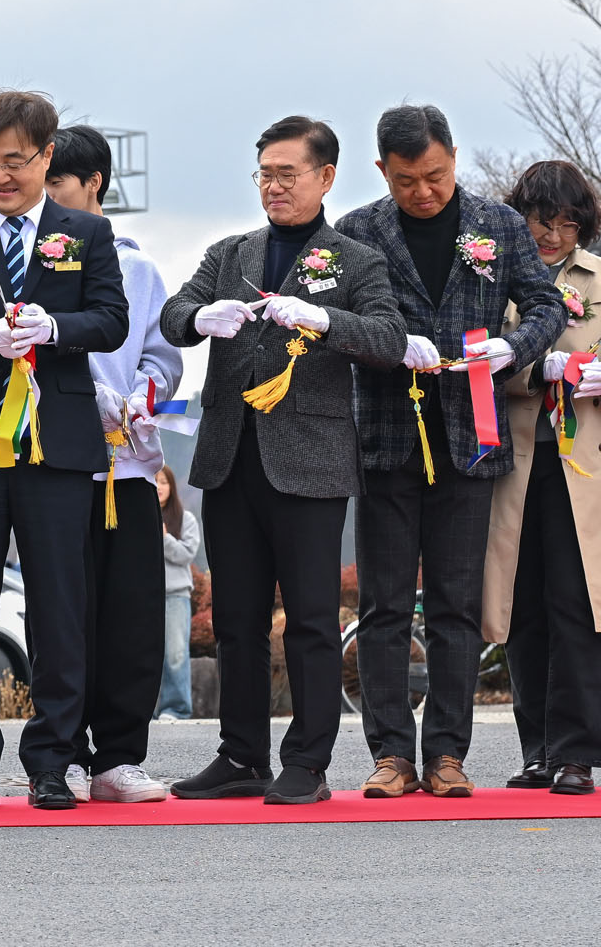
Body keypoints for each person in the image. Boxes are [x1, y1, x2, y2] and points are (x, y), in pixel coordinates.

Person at [163, 115, 406, 804]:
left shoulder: (355, 259)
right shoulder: (230, 253)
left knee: (309, 619)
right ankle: (241, 756)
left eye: (287, 174)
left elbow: (389, 339)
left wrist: (325, 320)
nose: (273, 186)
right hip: (230, 456)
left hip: (310, 462)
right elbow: (175, 313)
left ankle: (308, 761)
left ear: (325, 177)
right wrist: (198, 319)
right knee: (237, 620)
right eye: (264, 174)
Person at [336, 105, 563, 798]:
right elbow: (334, 323)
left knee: (456, 605)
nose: (424, 192)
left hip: (471, 437)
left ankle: (446, 755)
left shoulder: (499, 224)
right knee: (383, 605)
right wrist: (382, 343)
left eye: (435, 175)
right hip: (386, 437)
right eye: (407, 180)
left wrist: (512, 347)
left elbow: (547, 305)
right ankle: (390, 755)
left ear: (454, 158)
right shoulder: (358, 231)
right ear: (382, 170)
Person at [0, 88, 129, 812]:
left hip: (57, 441)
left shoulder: (86, 232)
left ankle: (51, 761)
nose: (0, 175)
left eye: (14, 161)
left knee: (59, 608)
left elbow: (110, 319)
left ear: (46, 157)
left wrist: (55, 329)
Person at [481, 161, 601, 796]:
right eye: (541, 222)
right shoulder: (492, 274)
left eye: (567, 224)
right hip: (513, 464)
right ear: (520, 217)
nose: (553, 236)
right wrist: (535, 370)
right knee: (522, 606)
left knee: (577, 606)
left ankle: (576, 754)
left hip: (589, 464)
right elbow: (477, 357)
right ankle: (537, 750)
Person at [44, 123, 181, 803]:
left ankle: (120, 757)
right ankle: (64, 753)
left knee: (132, 614)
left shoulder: (139, 269)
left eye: (57, 181)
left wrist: (139, 398)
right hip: (58, 463)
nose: (45, 195)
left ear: (94, 182)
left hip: (127, 467)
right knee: (63, 612)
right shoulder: (37, 262)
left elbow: (163, 357)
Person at [154, 468, 201, 721]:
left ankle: (177, 708)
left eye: (164, 482)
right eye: (155, 482)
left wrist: (164, 538)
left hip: (175, 595)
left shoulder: (185, 519)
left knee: (175, 654)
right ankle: (149, 709)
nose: (159, 487)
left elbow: (186, 555)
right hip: (146, 597)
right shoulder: (140, 516)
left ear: (172, 487)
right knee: (147, 654)